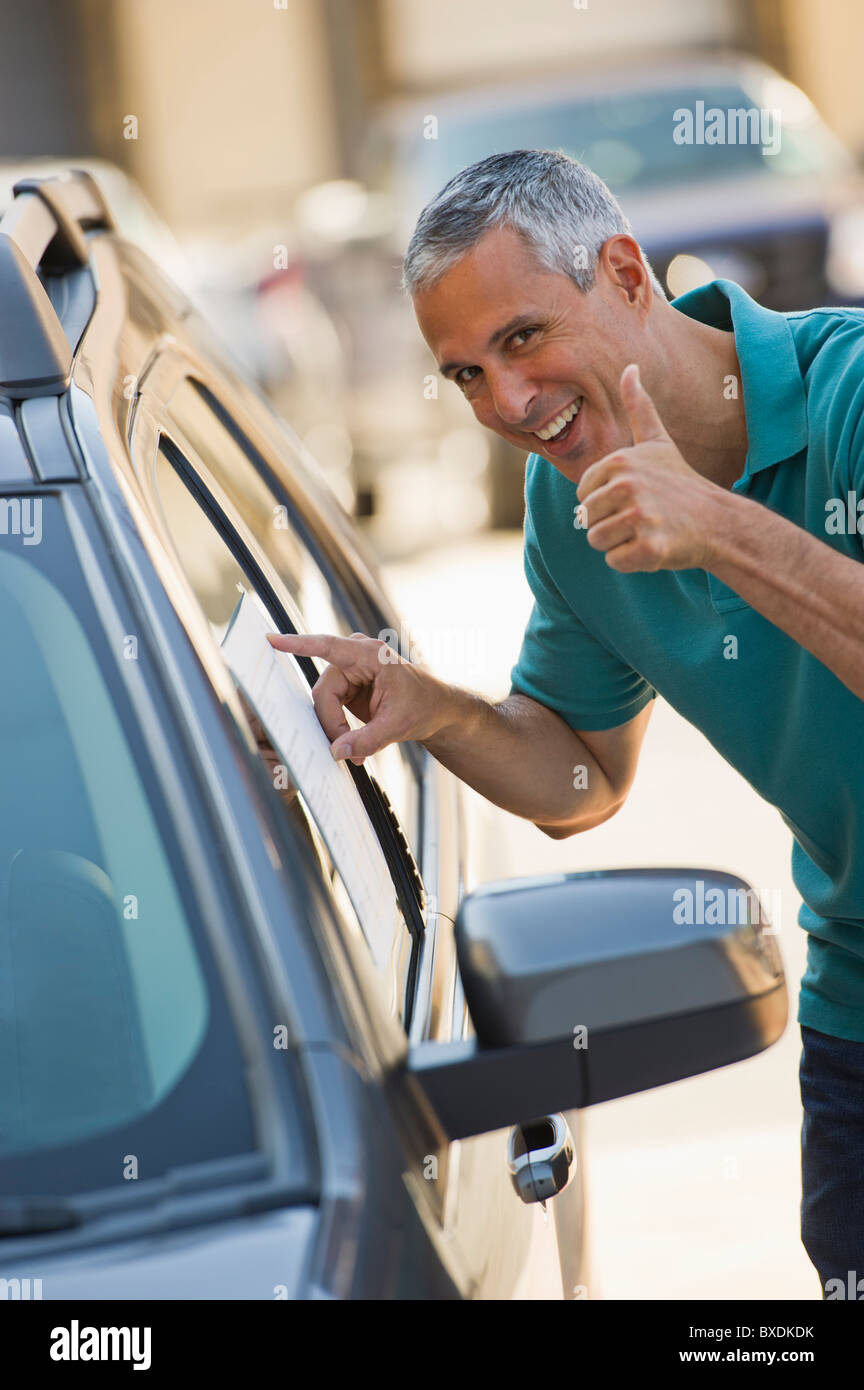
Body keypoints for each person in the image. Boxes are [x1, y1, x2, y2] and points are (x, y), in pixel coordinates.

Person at [268, 148, 864, 1296]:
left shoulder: (849, 394)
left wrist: (720, 528)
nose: (507, 402)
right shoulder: (566, 505)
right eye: (465, 375)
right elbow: (581, 778)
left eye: (524, 337)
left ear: (627, 274)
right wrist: (434, 707)